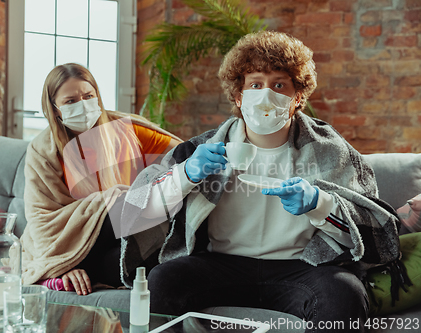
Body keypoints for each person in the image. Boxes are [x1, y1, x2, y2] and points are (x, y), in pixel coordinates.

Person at [119, 31, 406, 332]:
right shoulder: (201, 149)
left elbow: (379, 231)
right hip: (219, 265)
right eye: (255, 84)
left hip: (299, 268)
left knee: (344, 291)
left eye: (279, 85)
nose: (266, 94)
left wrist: (319, 204)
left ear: (297, 98)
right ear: (239, 96)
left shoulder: (331, 151)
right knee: (164, 280)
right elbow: (133, 212)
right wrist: (186, 173)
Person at [17, 63, 181, 296]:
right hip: (68, 242)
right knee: (125, 202)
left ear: (97, 96)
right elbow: (41, 220)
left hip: (124, 238)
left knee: (146, 264)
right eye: (70, 101)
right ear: (54, 109)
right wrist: (63, 266)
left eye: (88, 96)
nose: (82, 105)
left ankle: (83, 273)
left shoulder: (126, 131)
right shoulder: (42, 151)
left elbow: (183, 156)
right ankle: (62, 274)